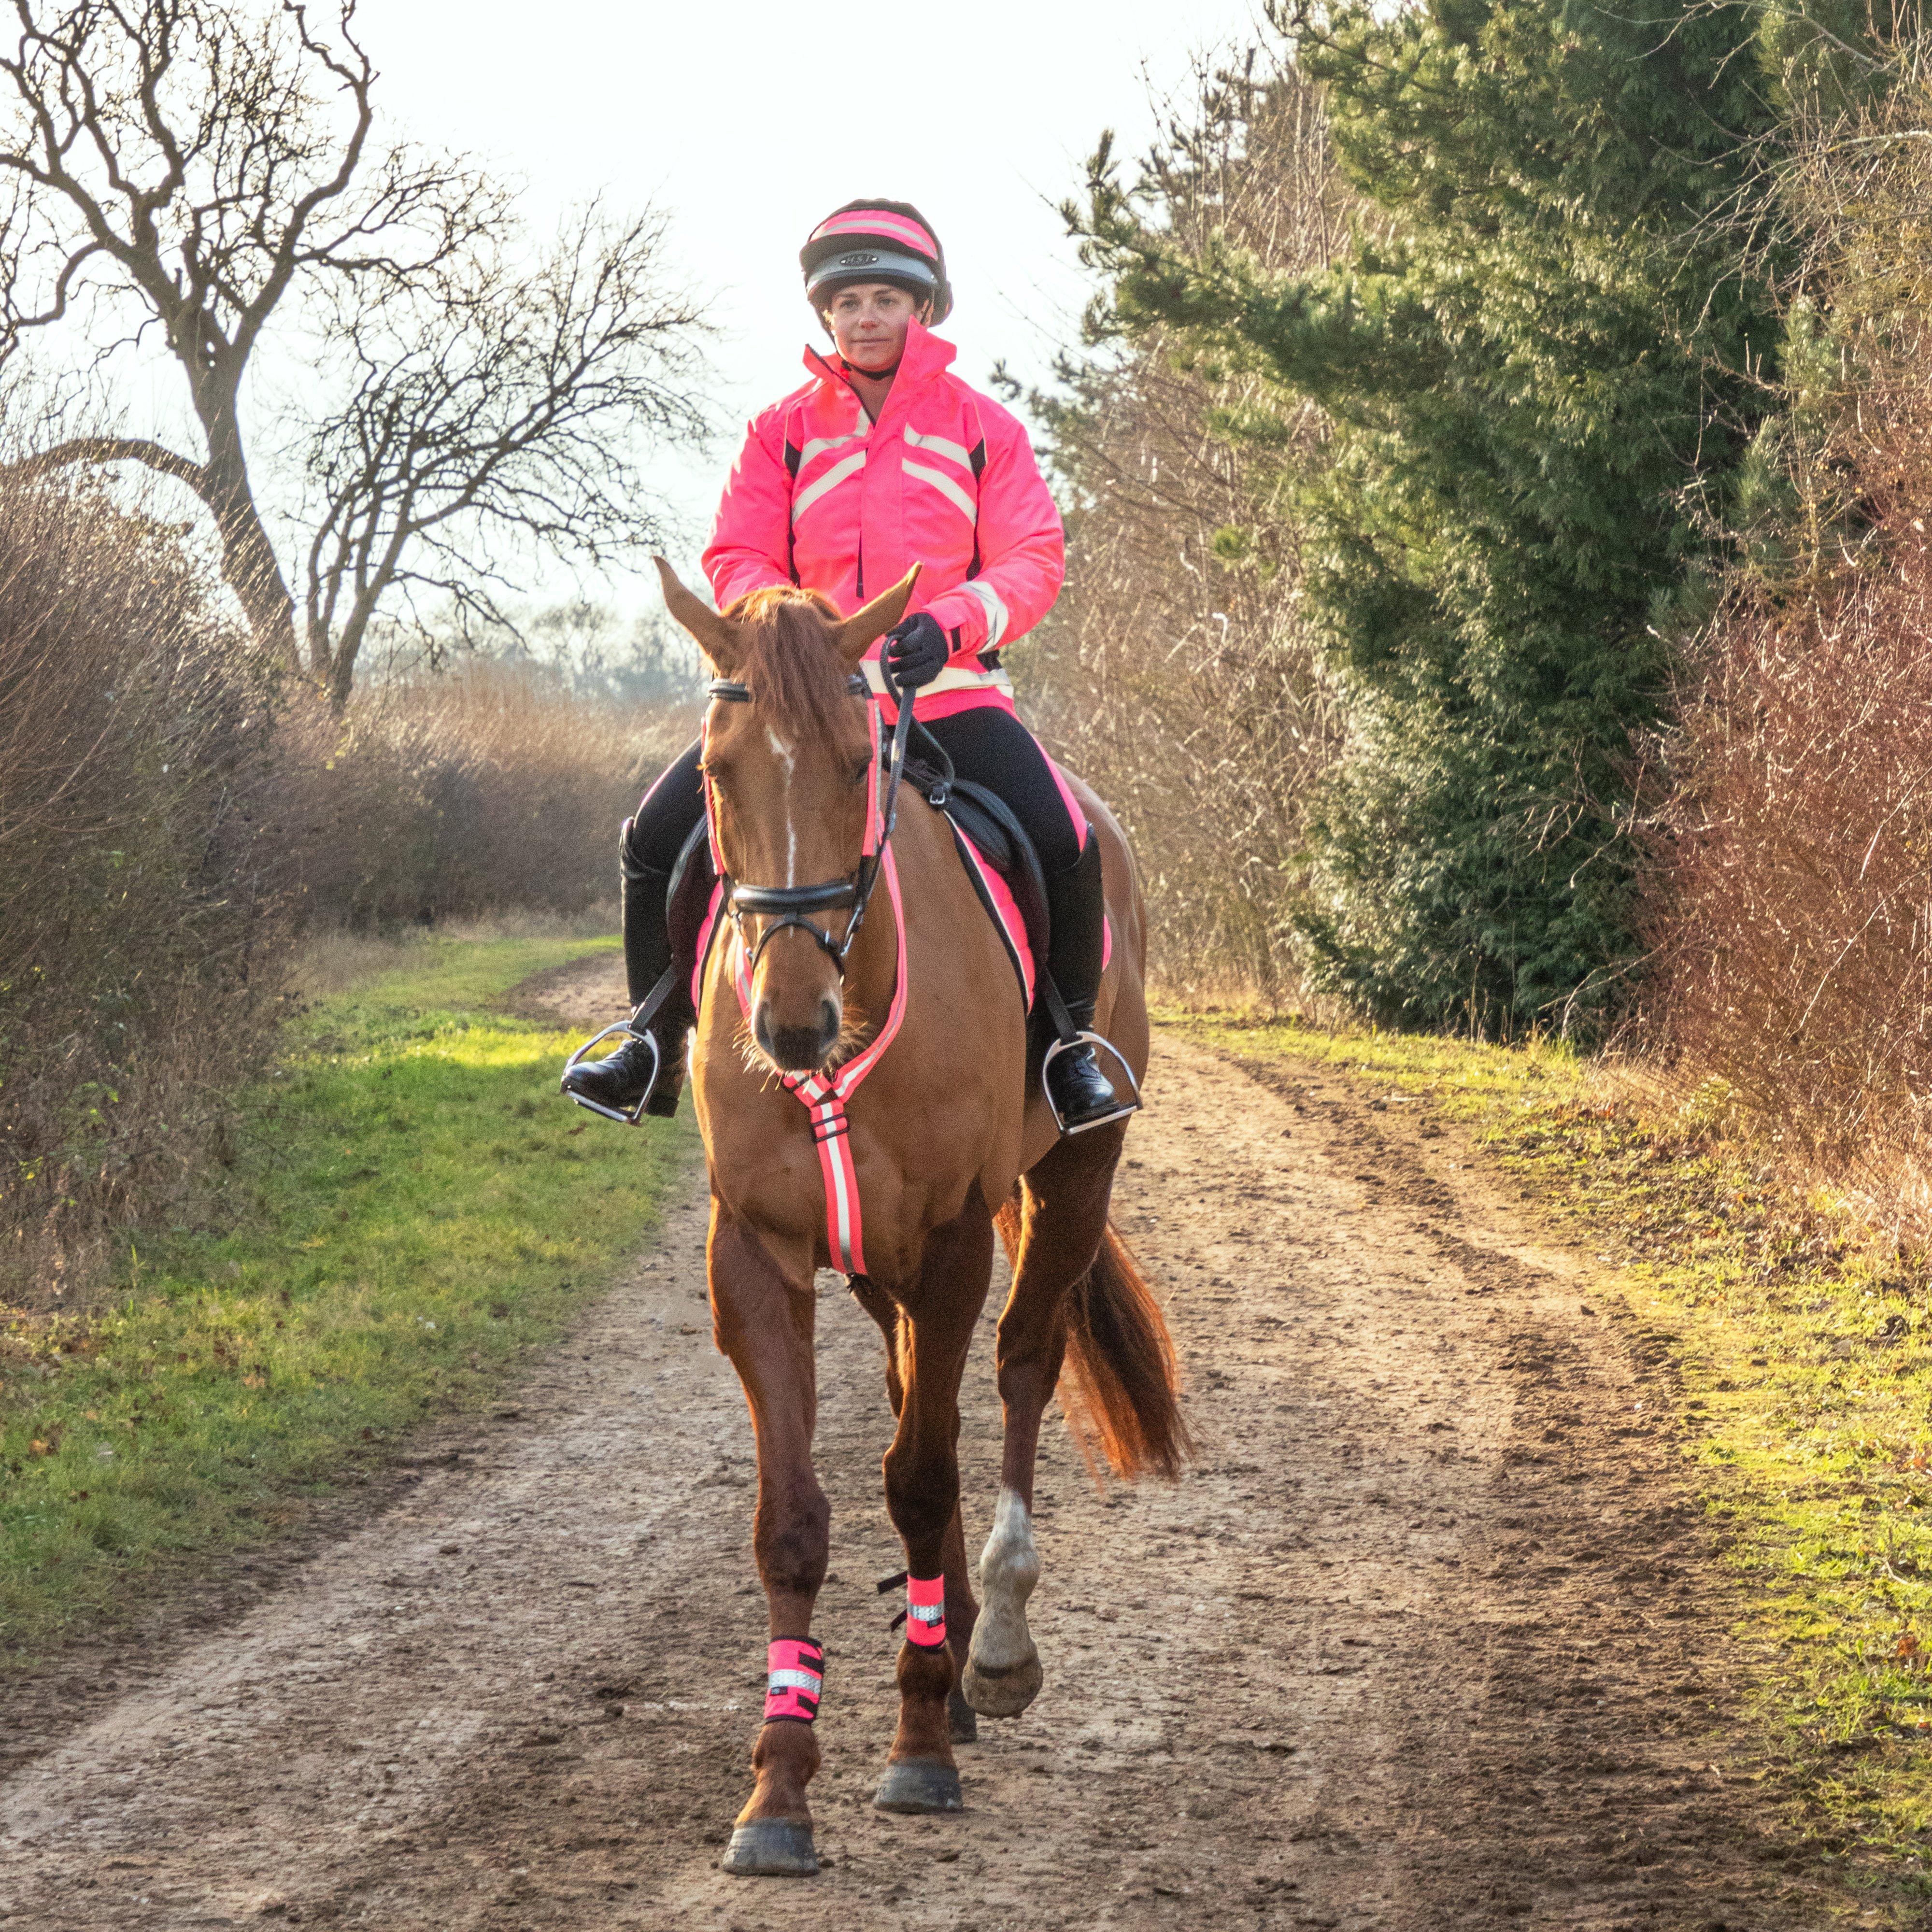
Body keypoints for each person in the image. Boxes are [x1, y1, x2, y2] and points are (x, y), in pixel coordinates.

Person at [563, 199, 1132, 1133]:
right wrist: (789, 628)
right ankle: (650, 1040)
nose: (866, 318)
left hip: (949, 698)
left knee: (1066, 838)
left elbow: (1032, 558)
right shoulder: (779, 432)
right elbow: (738, 554)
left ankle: (1069, 1050)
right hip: (799, 709)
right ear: (825, 314)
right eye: (848, 303)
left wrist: (948, 624)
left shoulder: (984, 428)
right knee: (654, 838)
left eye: (886, 300)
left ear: (924, 309)